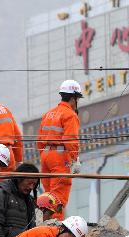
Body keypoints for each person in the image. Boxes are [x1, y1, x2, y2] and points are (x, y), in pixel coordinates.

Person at [37, 80, 83, 220]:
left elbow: (39, 140)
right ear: (73, 98)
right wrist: (75, 160)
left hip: (45, 156)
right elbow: (70, 139)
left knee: (48, 195)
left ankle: (45, 223)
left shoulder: (48, 114)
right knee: (57, 197)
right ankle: (55, 227)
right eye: (77, 99)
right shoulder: (69, 115)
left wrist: (45, 155)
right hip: (60, 158)